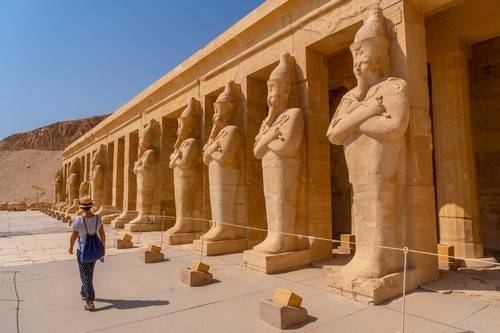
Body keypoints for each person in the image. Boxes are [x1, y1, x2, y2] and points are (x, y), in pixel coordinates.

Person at [68, 196, 106, 311]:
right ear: (91, 206)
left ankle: (90, 302)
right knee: (89, 274)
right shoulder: (98, 218)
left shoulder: (78, 220)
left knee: (85, 276)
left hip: (82, 251)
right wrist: (103, 248)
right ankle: (84, 292)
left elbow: (74, 236)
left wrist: (70, 247)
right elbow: (102, 234)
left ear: (81, 207)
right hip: (94, 250)